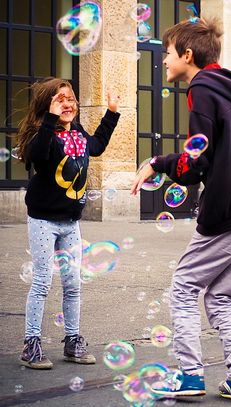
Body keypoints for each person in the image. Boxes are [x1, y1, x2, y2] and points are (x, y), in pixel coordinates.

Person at [131, 17, 231, 404]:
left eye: (167, 53)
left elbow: (196, 164)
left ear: (187, 54)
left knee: (183, 287)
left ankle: (189, 376)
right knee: (219, 298)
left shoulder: (203, 89)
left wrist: (158, 163)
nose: (162, 61)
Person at [16, 77, 120, 369]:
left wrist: (111, 113)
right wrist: (50, 120)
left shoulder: (77, 133)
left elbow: (96, 146)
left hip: (71, 222)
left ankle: (72, 340)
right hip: (43, 221)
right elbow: (38, 155)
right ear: (47, 105)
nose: (67, 103)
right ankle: (31, 344)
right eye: (59, 99)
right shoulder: (43, 134)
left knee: (73, 283)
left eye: (70, 98)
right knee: (41, 282)